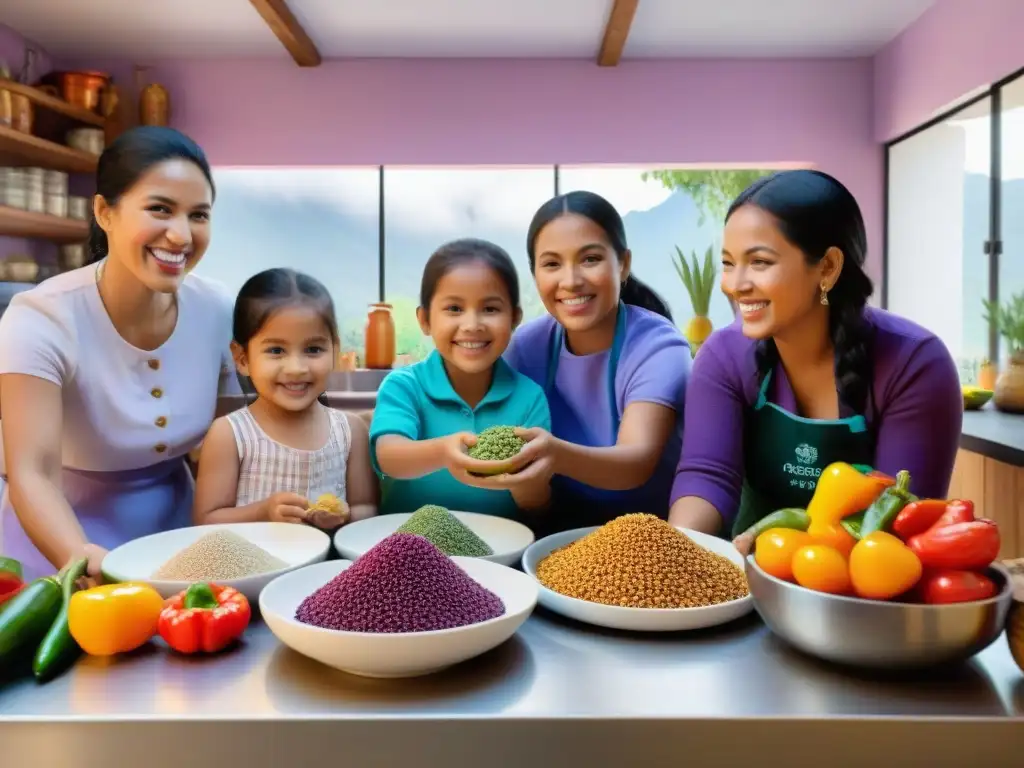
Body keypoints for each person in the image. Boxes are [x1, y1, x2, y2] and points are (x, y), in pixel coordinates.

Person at [668, 169, 962, 546]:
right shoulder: (722, 356)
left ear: (827, 268)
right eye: (728, 263)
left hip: (864, 588)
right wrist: (676, 553)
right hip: (748, 575)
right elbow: (707, 476)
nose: (735, 284)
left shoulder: (916, 364)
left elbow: (900, 521)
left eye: (759, 262)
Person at [0, 126, 240, 581]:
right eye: (160, 210)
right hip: (57, 544)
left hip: (178, 539)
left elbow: (226, 442)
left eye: (199, 215)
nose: (181, 235)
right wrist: (81, 560)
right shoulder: (40, 318)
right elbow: (31, 474)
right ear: (104, 212)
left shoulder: (217, 309)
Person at [478, 191, 691, 531]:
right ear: (535, 275)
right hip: (555, 536)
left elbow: (636, 462)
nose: (571, 280)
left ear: (623, 264)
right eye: (551, 264)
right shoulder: (525, 347)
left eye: (589, 259)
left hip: (650, 538)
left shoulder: (658, 346)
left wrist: (554, 455)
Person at [370, 238, 552, 520]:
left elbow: (536, 504)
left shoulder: (529, 398)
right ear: (425, 320)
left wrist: (528, 480)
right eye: (454, 308)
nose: (472, 325)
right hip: (407, 553)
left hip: (500, 553)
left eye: (490, 309)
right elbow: (389, 456)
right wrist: (444, 451)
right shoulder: (404, 386)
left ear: (514, 318)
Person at [193, 269, 377, 529]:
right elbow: (206, 521)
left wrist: (345, 515)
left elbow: (367, 508)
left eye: (313, 349)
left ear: (335, 351)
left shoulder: (351, 432)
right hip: (257, 567)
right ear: (242, 358)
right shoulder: (229, 434)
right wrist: (262, 512)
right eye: (276, 350)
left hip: (332, 568)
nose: (296, 368)